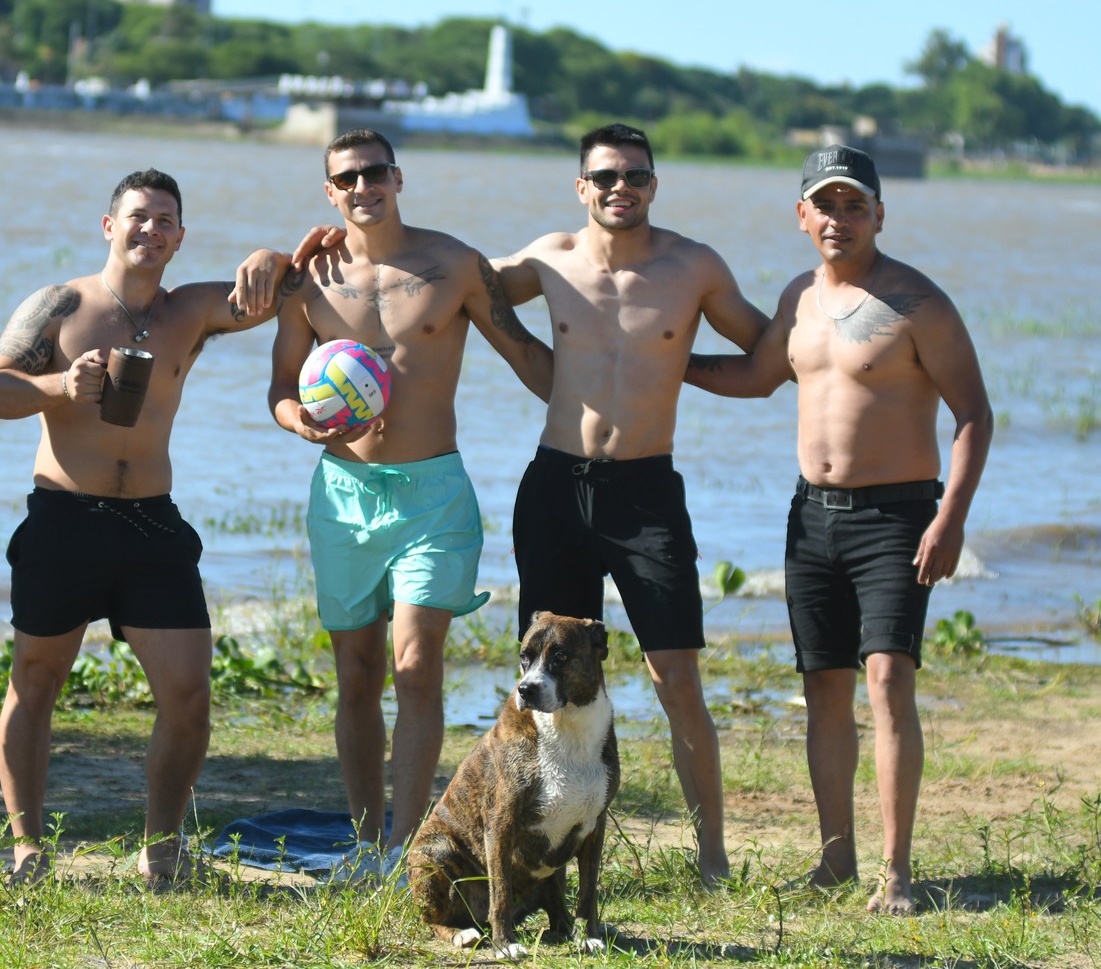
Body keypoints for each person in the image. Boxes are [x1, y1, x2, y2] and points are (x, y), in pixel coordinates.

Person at [685, 145, 992, 913]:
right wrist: (658, 358)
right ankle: (834, 861)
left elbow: (973, 414)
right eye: (825, 204)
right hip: (810, 516)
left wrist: (949, 516)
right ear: (801, 216)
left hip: (897, 517)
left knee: (888, 680)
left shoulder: (917, 303)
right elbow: (756, 378)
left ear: (879, 215)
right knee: (824, 688)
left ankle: (895, 872)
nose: (839, 218)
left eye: (855, 205)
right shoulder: (796, 299)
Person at [0, 168, 300, 885]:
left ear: (180, 238)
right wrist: (60, 384)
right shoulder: (60, 304)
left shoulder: (191, 309)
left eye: (164, 221)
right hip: (64, 515)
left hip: (151, 524)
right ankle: (28, 845)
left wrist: (271, 257)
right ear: (107, 225)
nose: (149, 229)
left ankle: (162, 846)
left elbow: (289, 289)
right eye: (137, 216)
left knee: (188, 694)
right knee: (35, 679)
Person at [267, 129, 552, 877]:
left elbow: (524, 351)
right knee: (356, 672)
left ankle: (403, 846)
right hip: (343, 494)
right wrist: (304, 423)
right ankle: (367, 844)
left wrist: (609, 400)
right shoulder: (307, 280)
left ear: (397, 176)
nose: (361, 186)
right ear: (329, 192)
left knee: (416, 662)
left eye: (373, 172)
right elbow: (279, 390)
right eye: (345, 178)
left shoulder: (453, 265)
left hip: (433, 494)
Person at [491, 123, 769, 884]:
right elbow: (449, 283)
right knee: (548, 688)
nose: (622, 188)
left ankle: (711, 857)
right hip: (554, 488)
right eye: (605, 176)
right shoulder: (548, 258)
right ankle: (538, 850)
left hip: (646, 493)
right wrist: (308, 258)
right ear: (581, 186)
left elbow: (772, 357)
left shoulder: (693, 266)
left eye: (635, 176)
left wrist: (681, 364)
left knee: (674, 676)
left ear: (654, 184)